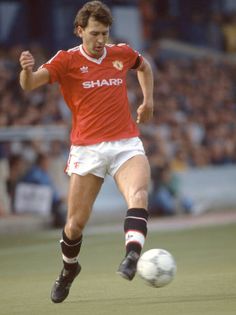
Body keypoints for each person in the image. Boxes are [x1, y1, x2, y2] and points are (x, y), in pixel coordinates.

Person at [19, 1, 154, 304]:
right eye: (94, 33)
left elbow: (143, 67)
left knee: (139, 194)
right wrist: (27, 72)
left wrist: (149, 102)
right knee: (74, 224)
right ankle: (69, 269)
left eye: (105, 33)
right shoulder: (66, 60)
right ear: (80, 31)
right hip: (87, 148)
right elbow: (30, 85)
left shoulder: (121, 53)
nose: (100, 40)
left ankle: (131, 255)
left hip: (125, 143)